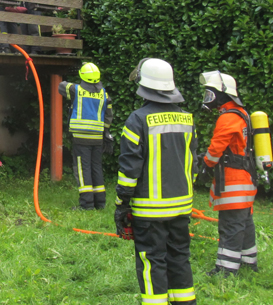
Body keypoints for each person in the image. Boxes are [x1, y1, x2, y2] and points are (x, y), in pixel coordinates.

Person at [115, 58, 198, 305]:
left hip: (149, 210)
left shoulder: (137, 119)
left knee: (151, 261)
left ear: (144, 84)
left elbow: (129, 169)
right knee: (179, 257)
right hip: (182, 206)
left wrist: (122, 203)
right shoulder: (187, 119)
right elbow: (192, 164)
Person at [198, 70, 258, 276]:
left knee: (231, 224)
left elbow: (216, 148)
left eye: (211, 93)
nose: (208, 98)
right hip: (246, 180)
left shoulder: (228, 117)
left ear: (223, 94)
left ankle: (226, 269)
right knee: (244, 223)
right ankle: (249, 262)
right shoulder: (242, 113)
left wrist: (206, 163)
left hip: (234, 181)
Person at [58, 62, 113, 210]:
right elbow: (108, 116)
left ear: (82, 76)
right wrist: (106, 132)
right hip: (98, 138)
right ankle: (100, 202)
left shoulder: (76, 90)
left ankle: (87, 204)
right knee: (96, 167)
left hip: (81, 137)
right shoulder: (104, 94)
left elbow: (61, 86)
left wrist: (72, 73)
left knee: (83, 169)